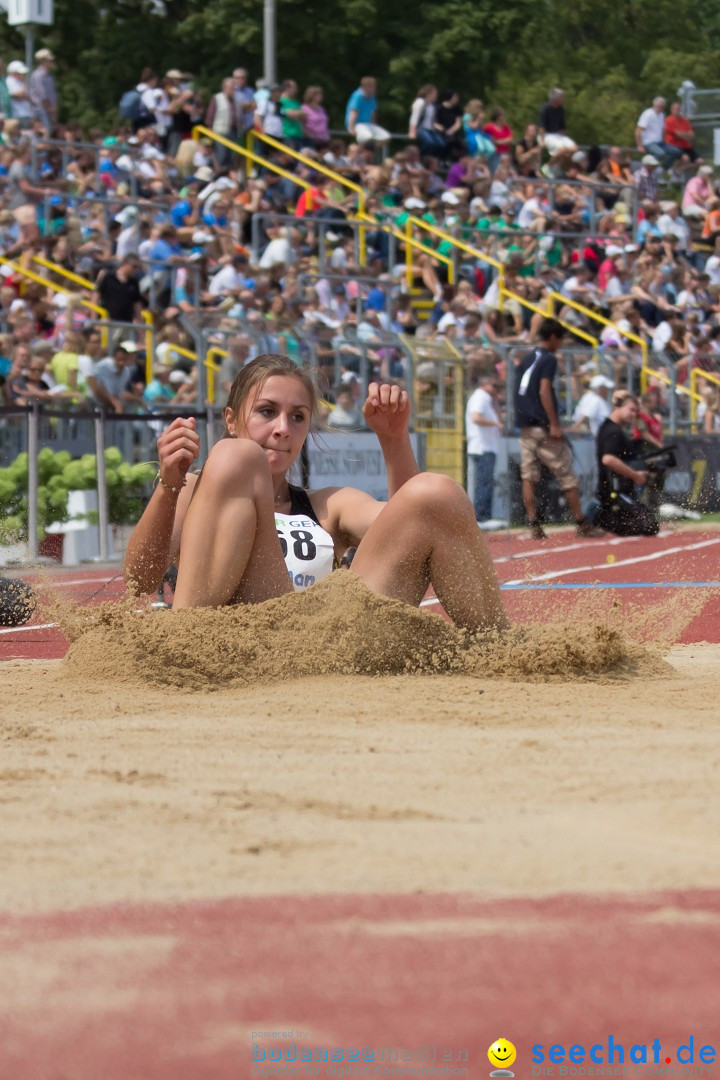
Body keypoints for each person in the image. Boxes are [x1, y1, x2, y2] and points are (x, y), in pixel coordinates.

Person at [124, 354, 507, 632]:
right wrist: (169, 486)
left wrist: (393, 439)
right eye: (266, 411)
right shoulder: (193, 487)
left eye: (297, 417)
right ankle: (183, 642)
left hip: (321, 645)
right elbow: (138, 581)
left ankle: (500, 650)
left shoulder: (328, 505)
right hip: (235, 639)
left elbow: (418, 521)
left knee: (436, 491)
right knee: (234, 458)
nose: (282, 429)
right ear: (231, 419)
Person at [514, 318, 604, 540]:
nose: (561, 343)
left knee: (528, 476)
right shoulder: (548, 359)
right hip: (542, 427)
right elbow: (544, 390)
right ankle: (581, 523)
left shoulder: (526, 359)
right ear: (553, 337)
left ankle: (534, 523)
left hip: (525, 426)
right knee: (566, 474)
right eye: (560, 338)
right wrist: (554, 423)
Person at [594, 391, 659, 536]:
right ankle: (603, 521)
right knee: (648, 525)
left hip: (621, 491)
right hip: (614, 493)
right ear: (619, 407)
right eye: (631, 410)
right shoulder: (613, 430)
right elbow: (608, 459)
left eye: (636, 411)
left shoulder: (615, 429)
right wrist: (635, 475)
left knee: (648, 521)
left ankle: (606, 520)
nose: (633, 415)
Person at [465, 373, 503, 523]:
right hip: (482, 446)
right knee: (484, 482)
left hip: (484, 445)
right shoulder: (481, 397)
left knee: (484, 481)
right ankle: (482, 517)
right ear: (485, 385)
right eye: (493, 386)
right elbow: (476, 417)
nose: (495, 389)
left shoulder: (484, 398)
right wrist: (495, 424)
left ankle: (483, 516)